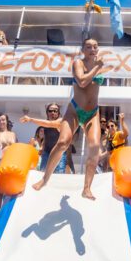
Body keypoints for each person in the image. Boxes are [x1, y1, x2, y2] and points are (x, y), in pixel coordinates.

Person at [32, 38, 104, 200]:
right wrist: (98, 68)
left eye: (95, 46)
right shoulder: (78, 63)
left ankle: (86, 188)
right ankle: (45, 179)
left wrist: (99, 68)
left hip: (92, 112)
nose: (92, 49)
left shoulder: (100, 66)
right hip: (75, 111)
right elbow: (82, 82)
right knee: (63, 142)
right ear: (83, 50)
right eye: (88, 47)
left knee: (94, 145)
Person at [20, 103, 68, 174]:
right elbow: (47, 137)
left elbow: (49, 124)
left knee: (58, 177)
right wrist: (42, 147)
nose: (53, 112)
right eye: (50, 111)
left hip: (59, 154)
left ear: (58, 113)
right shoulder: (45, 123)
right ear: (47, 112)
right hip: (46, 153)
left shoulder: (60, 121)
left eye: (55, 111)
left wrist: (30, 119)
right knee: (42, 175)